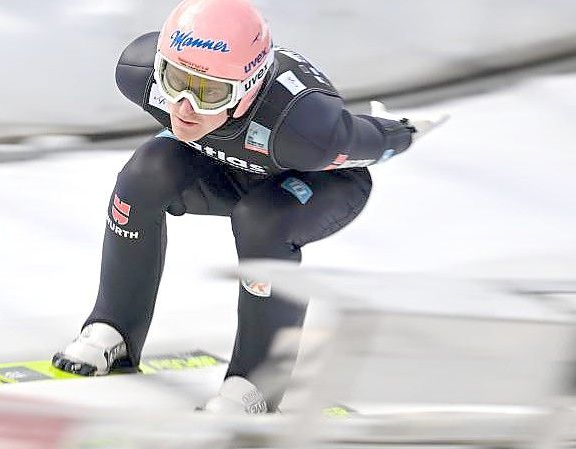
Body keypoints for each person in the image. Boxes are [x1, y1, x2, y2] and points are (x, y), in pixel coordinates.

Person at [52, 0, 447, 413]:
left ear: (248, 90)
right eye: (174, 80)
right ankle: (113, 327)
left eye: (210, 92)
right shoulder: (139, 74)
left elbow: (369, 140)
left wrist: (403, 131)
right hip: (227, 164)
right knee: (144, 174)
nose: (184, 107)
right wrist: (200, 97)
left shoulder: (307, 129)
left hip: (317, 181)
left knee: (262, 220)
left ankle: (256, 381)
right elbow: (181, 102)